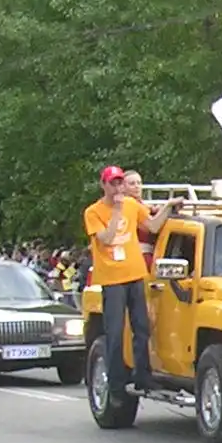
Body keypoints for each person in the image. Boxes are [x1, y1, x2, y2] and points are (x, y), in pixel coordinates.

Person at [83, 165, 152, 397]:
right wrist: (117, 211)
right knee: (115, 331)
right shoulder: (93, 212)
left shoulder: (132, 205)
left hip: (135, 273)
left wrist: (169, 207)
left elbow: (152, 225)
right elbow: (107, 238)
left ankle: (143, 376)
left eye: (120, 182)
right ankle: (116, 383)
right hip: (112, 278)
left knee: (141, 327)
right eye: (112, 183)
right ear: (103, 185)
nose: (117, 188)